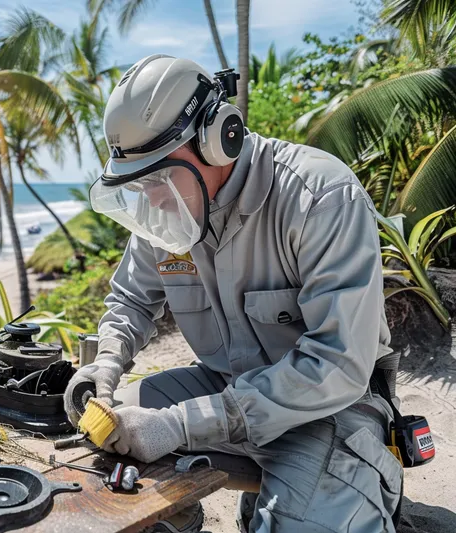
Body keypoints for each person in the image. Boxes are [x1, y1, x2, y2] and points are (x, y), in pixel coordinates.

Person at [63, 54, 403, 533]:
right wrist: (104, 366)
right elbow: (131, 302)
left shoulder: (319, 197)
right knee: (104, 438)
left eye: (158, 177)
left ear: (219, 138)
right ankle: (179, 515)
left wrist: (181, 426)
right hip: (223, 386)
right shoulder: (165, 209)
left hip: (330, 406)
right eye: (138, 182)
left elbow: (339, 364)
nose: (152, 198)